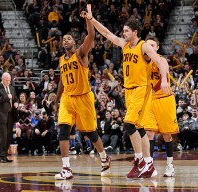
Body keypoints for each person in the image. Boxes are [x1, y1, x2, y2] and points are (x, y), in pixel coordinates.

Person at [85, 5, 171, 179]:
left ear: (135, 32)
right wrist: (91, 19)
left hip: (141, 89)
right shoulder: (124, 44)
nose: (123, 33)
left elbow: (161, 62)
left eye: (126, 31)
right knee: (139, 128)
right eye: (123, 31)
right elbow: (107, 34)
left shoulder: (144, 46)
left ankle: (140, 160)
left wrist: (163, 80)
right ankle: (149, 165)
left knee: (129, 124)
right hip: (129, 91)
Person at [54, 6, 110, 180]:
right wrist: (56, 100)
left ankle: (104, 158)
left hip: (84, 98)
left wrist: (88, 19)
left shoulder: (81, 53)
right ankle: (66, 168)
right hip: (67, 99)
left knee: (90, 133)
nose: (65, 41)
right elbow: (62, 81)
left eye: (68, 39)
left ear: (74, 42)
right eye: (63, 39)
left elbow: (91, 36)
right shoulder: (62, 60)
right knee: (63, 129)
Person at [144, 37, 179, 177]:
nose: (150, 48)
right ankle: (149, 165)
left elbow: (164, 68)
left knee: (166, 135)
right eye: (148, 45)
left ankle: (170, 165)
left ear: (157, 47)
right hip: (149, 101)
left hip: (164, 99)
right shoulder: (144, 62)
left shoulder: (161, 59)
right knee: (149, 133)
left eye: (153, 45)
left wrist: (164, 80)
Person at [0, 72, 18, 163]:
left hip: (10, 114)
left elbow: (15, 98)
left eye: (9, 80)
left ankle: (5, 155)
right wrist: (7, 97)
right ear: (2, 79)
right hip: (1, 115)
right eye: (7, 80)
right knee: (2, 136)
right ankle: (1, 156)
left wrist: (16, 103)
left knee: (8, 136)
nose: (8, 82)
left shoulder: (12, 88)